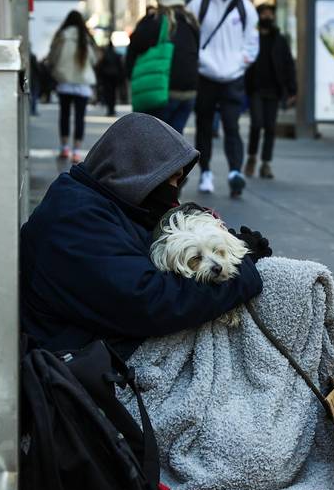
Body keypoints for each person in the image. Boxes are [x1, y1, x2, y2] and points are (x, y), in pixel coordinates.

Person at [19, 113, 269, 355]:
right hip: (79, 360)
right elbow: (152, 303)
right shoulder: (77, 220)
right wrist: (241, 268)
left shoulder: (104, 199)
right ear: (139, 174)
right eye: (171, 180)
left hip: (100, 342)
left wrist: (228, 245)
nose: (175, 191)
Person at [186, 0, 259, 198]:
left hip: (232, 78)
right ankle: (205, 172)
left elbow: (252, 42)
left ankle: (235, 172)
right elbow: (190, 37)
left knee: (232, 126)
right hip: (205, 76)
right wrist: (201, 61)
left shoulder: (245, 8)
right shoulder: (199, 4)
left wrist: (240, 63)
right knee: (204, 126)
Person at [127, 0, 201, 135]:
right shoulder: (192, 22)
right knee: (175, 139)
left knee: (157, 140)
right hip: (189, 93)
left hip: (163, 92)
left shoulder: (156, 21)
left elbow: (134, 45)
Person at [243, 4, 297, 180]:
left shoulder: (279, 39)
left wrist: (292, 89)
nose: (267, 16)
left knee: (270, 128)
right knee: (257, 125)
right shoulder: (252, 37)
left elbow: (288, 64)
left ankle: (266, 164)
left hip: (274, 90)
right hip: (256, 89)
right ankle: (251, 158)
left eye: (270, 14)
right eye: (264, 14)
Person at [47, 10, 98, 162]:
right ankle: (76, 151)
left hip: (65, 82)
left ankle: (64, 148)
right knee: (79, 117)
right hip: (82, 84)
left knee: (64, 115)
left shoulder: (62, 36)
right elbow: (93, 60)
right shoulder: (86, 38)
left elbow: (53, 56)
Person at [96, 43, 123, 116]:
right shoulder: (116, 55)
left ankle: (109, 110)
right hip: (114, 77)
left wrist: (100, 78)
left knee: (108, 94)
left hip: (106, 77)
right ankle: (112, 109)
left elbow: (100, 67)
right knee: (113, 94)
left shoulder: (105, 56)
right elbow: (120, 67)